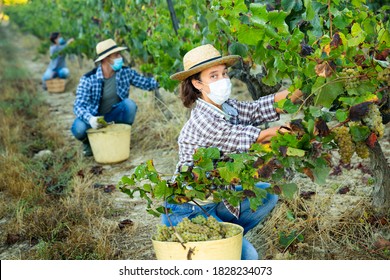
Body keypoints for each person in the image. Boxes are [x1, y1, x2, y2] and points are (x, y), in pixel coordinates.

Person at [161, 44, 303, 260]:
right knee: (248, 259)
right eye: (214, 76)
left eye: (224, 73)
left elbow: (261, 108)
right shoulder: (203, 121)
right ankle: (217, 247)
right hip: (186, 209)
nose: (223, 80)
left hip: (216, 198)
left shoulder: (225, 106)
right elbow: (256, 136)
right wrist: (288, 133)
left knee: (267, 194)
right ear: (197, 83)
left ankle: (223, 240)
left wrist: (306, 85)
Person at [71, 38, 159, 156]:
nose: (120, 57)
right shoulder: (88, 79)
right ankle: (90, 143)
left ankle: (120, 137)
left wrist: (168, 79)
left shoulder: (125, 72)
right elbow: (78, 106)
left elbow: (147, 84)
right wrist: (91, 119)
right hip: (95, 120)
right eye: (116, 55)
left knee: (129, 105)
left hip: (113, 117)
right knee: (79, 128)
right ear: (106, 59)